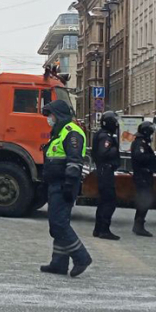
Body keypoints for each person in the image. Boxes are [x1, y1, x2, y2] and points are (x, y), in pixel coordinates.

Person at [39, 99, 92, 278]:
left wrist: (69, 184)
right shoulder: (59, 132)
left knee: (59, 224)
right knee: (58, 223)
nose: (49, 119)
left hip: (64, 184)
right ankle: (59, 263)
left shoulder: (71, 132)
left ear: (59, 115)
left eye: (51, 115)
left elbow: (74, 160)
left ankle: (81, 257)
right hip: (57, 183)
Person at [91, 111, 121, 240]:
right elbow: (103, 152)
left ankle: (98, 229)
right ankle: (104, 229)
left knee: (103, 201)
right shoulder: (106, 137)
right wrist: (114, 149)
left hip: (103, 170)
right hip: (105, 171)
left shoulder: (101, 134)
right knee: (109, 201)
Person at [130, 121, 156, 237]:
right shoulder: (140, 143)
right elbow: (140, 157)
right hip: (142, 176)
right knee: (143, 201)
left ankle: (139, 224)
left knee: (144, 201)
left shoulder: (143, 142)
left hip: (145, 175)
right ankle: (138, 225)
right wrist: (151, 158)